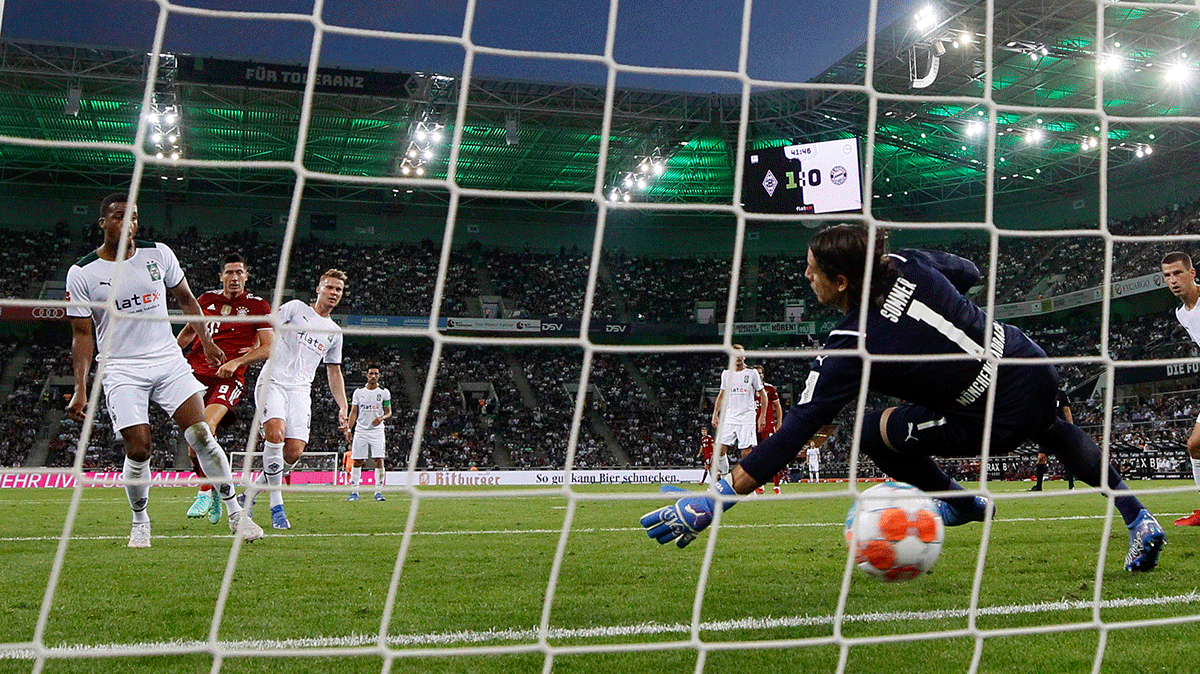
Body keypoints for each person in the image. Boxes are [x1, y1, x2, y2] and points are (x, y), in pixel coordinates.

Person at [642, 223, 1165, 573]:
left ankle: (963, 503)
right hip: (1028, 360)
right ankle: (1140, 518)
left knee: (874, 432)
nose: (806, 277)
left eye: (812, 271)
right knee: (1050, 427)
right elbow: (969, 271)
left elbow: (797, 427)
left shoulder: (849, 344)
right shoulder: (907, 262)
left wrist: (718, 499)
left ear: (841, 282)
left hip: (990, 411)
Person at [65, 193, 263, 547]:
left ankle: (237, 514)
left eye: (134, 217)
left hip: (168, 359)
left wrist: (208, 341)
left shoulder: (158, 253)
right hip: (122, 367)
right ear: (103, 223)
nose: (128, 222)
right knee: (139, 448)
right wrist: (81, 387)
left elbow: (188, 300)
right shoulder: (82, 273)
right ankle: (140, 521)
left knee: (201, 434)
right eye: (119, 216)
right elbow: (82, 335)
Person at [238, 269, 350, 529]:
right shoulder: (295, 308)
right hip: (273, 381)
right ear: (319, 289)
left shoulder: (334, 332)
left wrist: (343, 405)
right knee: (275, 435)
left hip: (301, 390)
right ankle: (277, 506)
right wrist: (254, 344)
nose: (334, 293)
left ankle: (250, 495)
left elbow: (334, 371)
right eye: (330, 287)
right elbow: (267, 325)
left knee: (294, 452)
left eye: (339, 290)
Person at [176, 254, 272, 524]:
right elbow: (188, 332)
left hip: (228, 379)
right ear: (221, 276)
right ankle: (218, 490)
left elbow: (269, 347)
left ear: (246, 276)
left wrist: (238, 361)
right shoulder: (206, 300)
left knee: (204, 428)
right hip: (195, 376)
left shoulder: (257, 305)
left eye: (239, 273)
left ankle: (206, 491)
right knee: (194, 446)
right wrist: (171, 356)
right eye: (229, 272)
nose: (234, 277)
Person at [1161, 251, 1200, 526]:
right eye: (1167, 275)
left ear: (1192, 273)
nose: (1173, 280)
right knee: (1195, 447)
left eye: (1178, 273)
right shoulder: (1181, 314)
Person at [710, 345, 767, 479]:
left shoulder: (752, 373)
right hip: (730, 416)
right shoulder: (726, 374)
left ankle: (749, 483)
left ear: (744, 356)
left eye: (741, 355)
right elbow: (722, 395)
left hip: (747, 416)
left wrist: (762, 416)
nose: (738, 358)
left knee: (746, 453)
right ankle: (724, 480)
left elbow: (763, 395)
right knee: (719, 449)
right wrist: (715, 414)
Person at [346, 363, 392, 502]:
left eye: (376, 374)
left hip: (377, 431)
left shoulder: (384, 392)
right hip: (361, 430)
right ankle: (354, 492)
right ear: (367, 375)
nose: (373, 376)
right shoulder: (359, 392)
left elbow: (388, 412)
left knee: (379, 460)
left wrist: (381, 418)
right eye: (371, 373)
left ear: (379, 376)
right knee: (358, 460)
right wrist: (349, 429)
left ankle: (378, 492)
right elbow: (354, 412)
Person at [1029, 389, 1076, 491]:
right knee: (1041, 457)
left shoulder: (1060, 394)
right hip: (1045, 430)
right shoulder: (1041, 393)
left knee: (1067, 457)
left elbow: (1066, 410)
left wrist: (1071, 427)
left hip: (1059, 429)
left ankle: (1071, 485)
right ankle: (1039, 486)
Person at [753, 364, 786, 494]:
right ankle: (759, 485)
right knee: (756, 457)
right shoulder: (749, 389)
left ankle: (776, 485)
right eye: (756, 373)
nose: (759, 375)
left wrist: (779, 424)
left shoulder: (769, 389)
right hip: (753, 427)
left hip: (768, 425)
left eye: (760, 373)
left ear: (763, 375)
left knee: (773, 455)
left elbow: (778, 407)